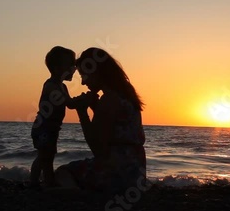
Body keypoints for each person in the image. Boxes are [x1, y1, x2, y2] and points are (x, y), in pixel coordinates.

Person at [55, 48, 146, 194]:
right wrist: (95, 107)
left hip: (115, 174)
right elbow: (112, 127)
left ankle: (77, 194)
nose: (84, 82)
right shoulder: (126, 93)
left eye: (84, 76)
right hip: (135, 175)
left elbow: (98, 149)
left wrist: (82, 111)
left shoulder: (109, 100)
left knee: (63, 172)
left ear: (96, 72)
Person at [29, 46, 97, 188]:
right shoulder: (51, 86)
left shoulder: (62, 87)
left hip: (52, 128)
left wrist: (81, 100)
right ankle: (38, 182)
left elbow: (70, 103)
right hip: (43, 128)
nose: (74, 69)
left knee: (48, 155)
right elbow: (69, 103)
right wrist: (84, 100)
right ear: (57, 68)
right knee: (44, 156)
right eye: (71, 65)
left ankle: (45, 181)